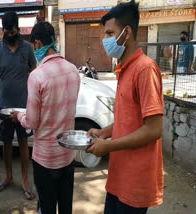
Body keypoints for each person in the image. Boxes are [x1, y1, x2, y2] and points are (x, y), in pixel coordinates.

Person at [86, 1, 164, 214]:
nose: (105, 40)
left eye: (110, 33)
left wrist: (108, 146)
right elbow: (128, 120)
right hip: (119, 176)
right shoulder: (125, 69)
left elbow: (154, 129)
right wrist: (104, 132)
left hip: (135, 182)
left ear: (127, 32)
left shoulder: (145, 69)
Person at [12, 21, 80, 214]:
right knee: (66, 206)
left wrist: (19, 116)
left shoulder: (37, 76)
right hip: (67, 154)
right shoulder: (72, 70)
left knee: (47, 207)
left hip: (46, 158)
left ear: (38, 44)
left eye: (34, 46)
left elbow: (32, 122)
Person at [0, 11, 37, 199]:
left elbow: (35, 72)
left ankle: (25, 181)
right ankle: (8, 177)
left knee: (23, 143)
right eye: (7, 32)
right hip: (4, 106)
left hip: (23, 106)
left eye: (13, 32)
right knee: (6, 143)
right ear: (3, 30)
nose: (10, 35)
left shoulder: (27, 48)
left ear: (18, 30)